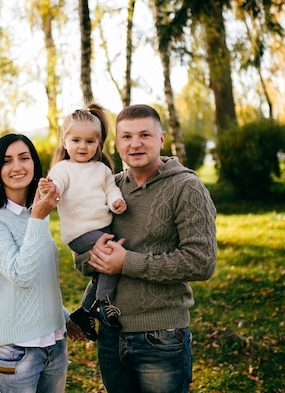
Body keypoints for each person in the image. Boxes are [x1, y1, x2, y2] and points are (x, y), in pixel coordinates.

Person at [75, 104, 217, 393]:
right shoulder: (109, 189)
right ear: (116, 143)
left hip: (161, 336)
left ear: (162, 139)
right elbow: (81, 259)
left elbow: (201, 262)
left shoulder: (186, 187)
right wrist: (94, 256)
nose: (135, 143)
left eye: (144, 135)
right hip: (111, 335)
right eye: (126, 136)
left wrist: (126, 262)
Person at [0, 133, 85, 393]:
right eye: (7, 161)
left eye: (24, 158)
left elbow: (39, 279)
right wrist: (37, 217)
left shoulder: (36, 212)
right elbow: (21, 275)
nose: (17, 166)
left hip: (55, 344)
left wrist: (64, 317)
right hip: (17, 351)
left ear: (34, 163)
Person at [40, 104, 127, 341]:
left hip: (102, 228)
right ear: (64, 141)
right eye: (76, 140)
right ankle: (104, 304)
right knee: (112, 256)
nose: (82, 146)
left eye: (90, 141)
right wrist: (51, 188)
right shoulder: (63, 169)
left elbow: (111, 189)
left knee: (103, 271)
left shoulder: (102, 169)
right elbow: (56, 184)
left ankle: (85, 311)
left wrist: (116, 201)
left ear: (98, 143)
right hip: (80, 233)